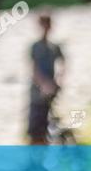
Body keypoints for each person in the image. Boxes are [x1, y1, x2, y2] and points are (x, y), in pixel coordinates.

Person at [27, 11, 65, 144]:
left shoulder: (54, 47)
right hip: (38, 93)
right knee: (36, 128)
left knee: (51, 121)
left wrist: (58, 81)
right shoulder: (35, 47)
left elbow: (62, 64)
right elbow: (34, 69)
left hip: (51, 91)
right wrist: (44, 84)